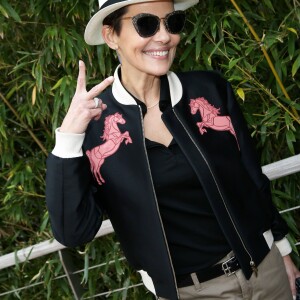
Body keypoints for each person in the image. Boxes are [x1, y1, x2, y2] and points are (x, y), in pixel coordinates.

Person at [45, 0, 300, 299]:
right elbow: (73, 231)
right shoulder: (93, 131)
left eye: (172, 22)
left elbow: (252, 179)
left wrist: (282, 251)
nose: (165, 36)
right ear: (111, 35)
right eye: (147, 24)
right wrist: (68, 139)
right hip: (189, 292)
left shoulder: (209, 90)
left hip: (266, 270)